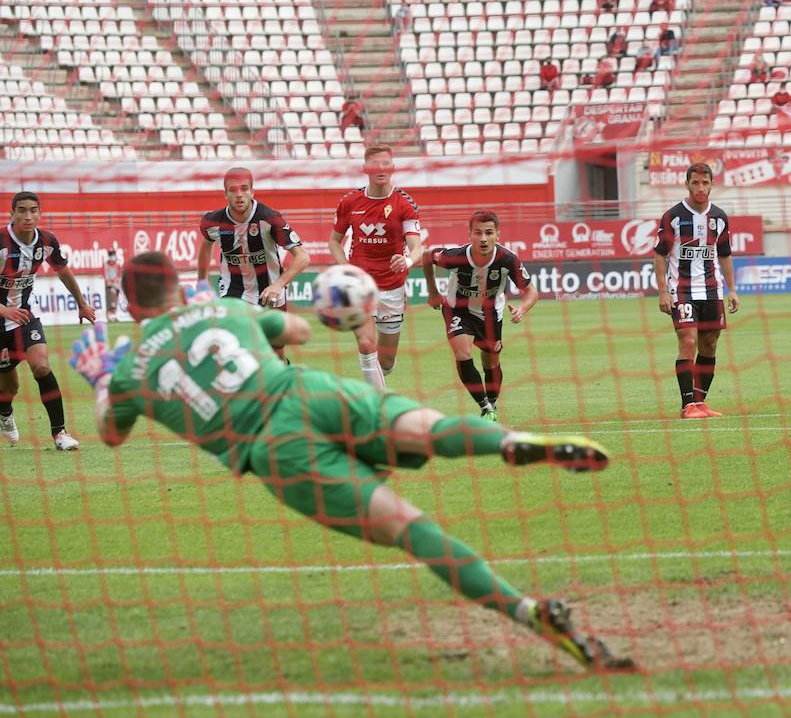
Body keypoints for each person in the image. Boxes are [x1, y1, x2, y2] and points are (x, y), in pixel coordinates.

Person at [73, 250, 632, 672]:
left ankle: (530, 613)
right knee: (426, 428)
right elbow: (296, 331)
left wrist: (102, 380)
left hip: (276, 449)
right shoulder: (222, 310)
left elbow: (111, 435)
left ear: (127, 303)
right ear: (176, 287)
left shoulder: (130, 374)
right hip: (309, 391)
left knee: (410, 528)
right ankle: (509, 441)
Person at [0, 192, 96, 450]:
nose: (28, 216)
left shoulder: (47, 241)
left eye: (33, 210)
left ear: (40, 213)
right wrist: (4, 310)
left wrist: (82, 303)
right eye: (21, 210)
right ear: (12, 213)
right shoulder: (0, 243)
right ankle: (5, 411)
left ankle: (60, 433)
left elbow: (63, 272)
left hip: (25, 318)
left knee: (42, 367)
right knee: (8, 386)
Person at [423, 211, 537, 421]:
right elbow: (427, 256)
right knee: (462, 354)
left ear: (497, 235)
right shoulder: (456, 256)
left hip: (490, 315)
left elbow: (531, 292)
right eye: (478, 233)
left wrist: (522, 309)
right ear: (470, 235)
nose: (483, 238)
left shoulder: (508, 259)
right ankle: (485, 407)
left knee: (491, 362)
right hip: (458, 309)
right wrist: (432, 292)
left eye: (488, 233)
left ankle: (492, 404)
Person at [329, 145, 424, 390]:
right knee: (365, 345)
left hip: (392, 287)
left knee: (386, 361)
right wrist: (346, 269)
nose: (381, 168)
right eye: (375, 163)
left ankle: (379, 379)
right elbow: (334, 241)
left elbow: (416, 247)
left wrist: (407, 261)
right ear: (365, 168)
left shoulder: (405, 204)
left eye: (386, 163)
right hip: (361, 286)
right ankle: (378, 410)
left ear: (392, 168)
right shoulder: (349, 202)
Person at [653, 163, 739, 420]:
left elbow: (724, 255)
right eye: (695, 183)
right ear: (687, 184)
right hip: (682, 289)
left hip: (712, 289)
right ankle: (687, 405)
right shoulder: (674, 216)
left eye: (705, 183)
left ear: (712, 184)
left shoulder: (720, 217)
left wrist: (732, 289)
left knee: (710, 344)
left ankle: (700, 403)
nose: (700, 187)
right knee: (688, 341)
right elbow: (659, 255)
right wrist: (662, 292)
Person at [195, 167, 310, 312]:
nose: (239, 195)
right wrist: (202, 282)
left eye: (244, 189)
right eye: (233, 190)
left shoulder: (270, 219)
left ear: (252, 192)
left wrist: (278, 284)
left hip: (269, 292)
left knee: (273, 334)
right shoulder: (212, 222)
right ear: (225, 194)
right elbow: (206, 247)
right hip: (232, 290)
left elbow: (303, 256)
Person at [102, 248, 121, 322]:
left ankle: (114, 312)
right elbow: (104, 274)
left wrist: (114, 281)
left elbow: (118, 274)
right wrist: (108, 281)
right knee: (108, 299)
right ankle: (109, 313)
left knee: (114, 295)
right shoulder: (106, 264)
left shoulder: (117, 264)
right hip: (108, 284)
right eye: (110, 254)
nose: (111, 256)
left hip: (116, 284)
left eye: (112, 254)